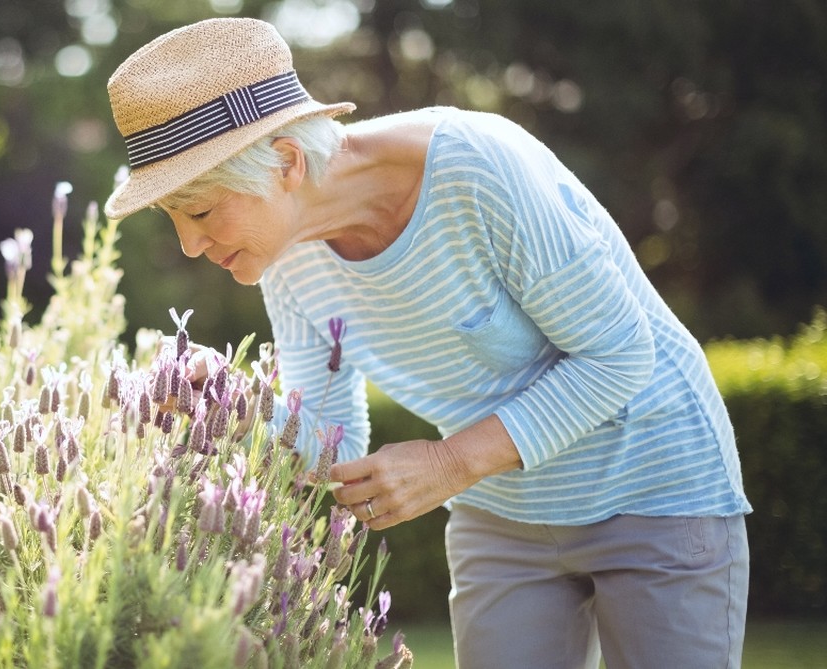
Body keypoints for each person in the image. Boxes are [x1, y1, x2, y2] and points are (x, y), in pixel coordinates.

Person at [103, 16, 751, 669]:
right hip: (503, 514)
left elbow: (620, 355)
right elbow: (331, 443)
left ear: (286, 163)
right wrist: (230, 402)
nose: (189, 244)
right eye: (175, 218)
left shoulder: (477, 168)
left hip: (656, 486)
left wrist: (449, 463)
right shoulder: (288, 262)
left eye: (203, 211)